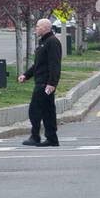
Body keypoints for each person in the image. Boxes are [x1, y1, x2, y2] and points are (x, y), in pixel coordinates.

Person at [18, 17, 63, 146]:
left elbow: (55, 65)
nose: (36, 29)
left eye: (37, 26)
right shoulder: (44, 42)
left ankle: (36, 136)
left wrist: (52, 84)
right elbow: (38, 64)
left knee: (36, 109)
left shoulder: (52, 42)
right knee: (46, 110)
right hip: (40, 81)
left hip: (45, 83)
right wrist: (26, 75)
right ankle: (51, 138)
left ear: (44, 28)